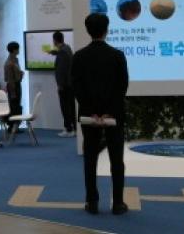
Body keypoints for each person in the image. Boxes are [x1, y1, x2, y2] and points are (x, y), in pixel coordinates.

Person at [71, 14, 129, 215]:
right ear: (107, 29)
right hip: (114, 116)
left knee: (90, 158)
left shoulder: (79, 56)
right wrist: (108, 112)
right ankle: (118, 203)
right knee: (116, 159)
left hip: (89, 116)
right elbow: (122, 87)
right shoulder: (117, 55)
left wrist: (92, 112)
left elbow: (77, 88)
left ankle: (92, 202)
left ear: (88, 30)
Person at [49, 31, 75, 137]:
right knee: (71, 106)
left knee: (65, 107)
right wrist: (55, 53)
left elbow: (61, 70)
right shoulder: (67, 48)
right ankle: (73, 128)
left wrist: (60, 85)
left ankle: (68, 129)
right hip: (70, 84)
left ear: (55, 40)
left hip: (65, 85)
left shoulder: (62, 52)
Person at [4, 41, 24, 132]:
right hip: (13, 86)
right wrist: (12, 92)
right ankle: (12, 126)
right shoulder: (9, 63)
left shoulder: (15, 60)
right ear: (14, 50)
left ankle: (15, 126)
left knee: (16, 105)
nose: (19, 50)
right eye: (18, 49)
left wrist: (20, 74)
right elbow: (10, 79)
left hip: (17, 84)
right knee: (14, 106)